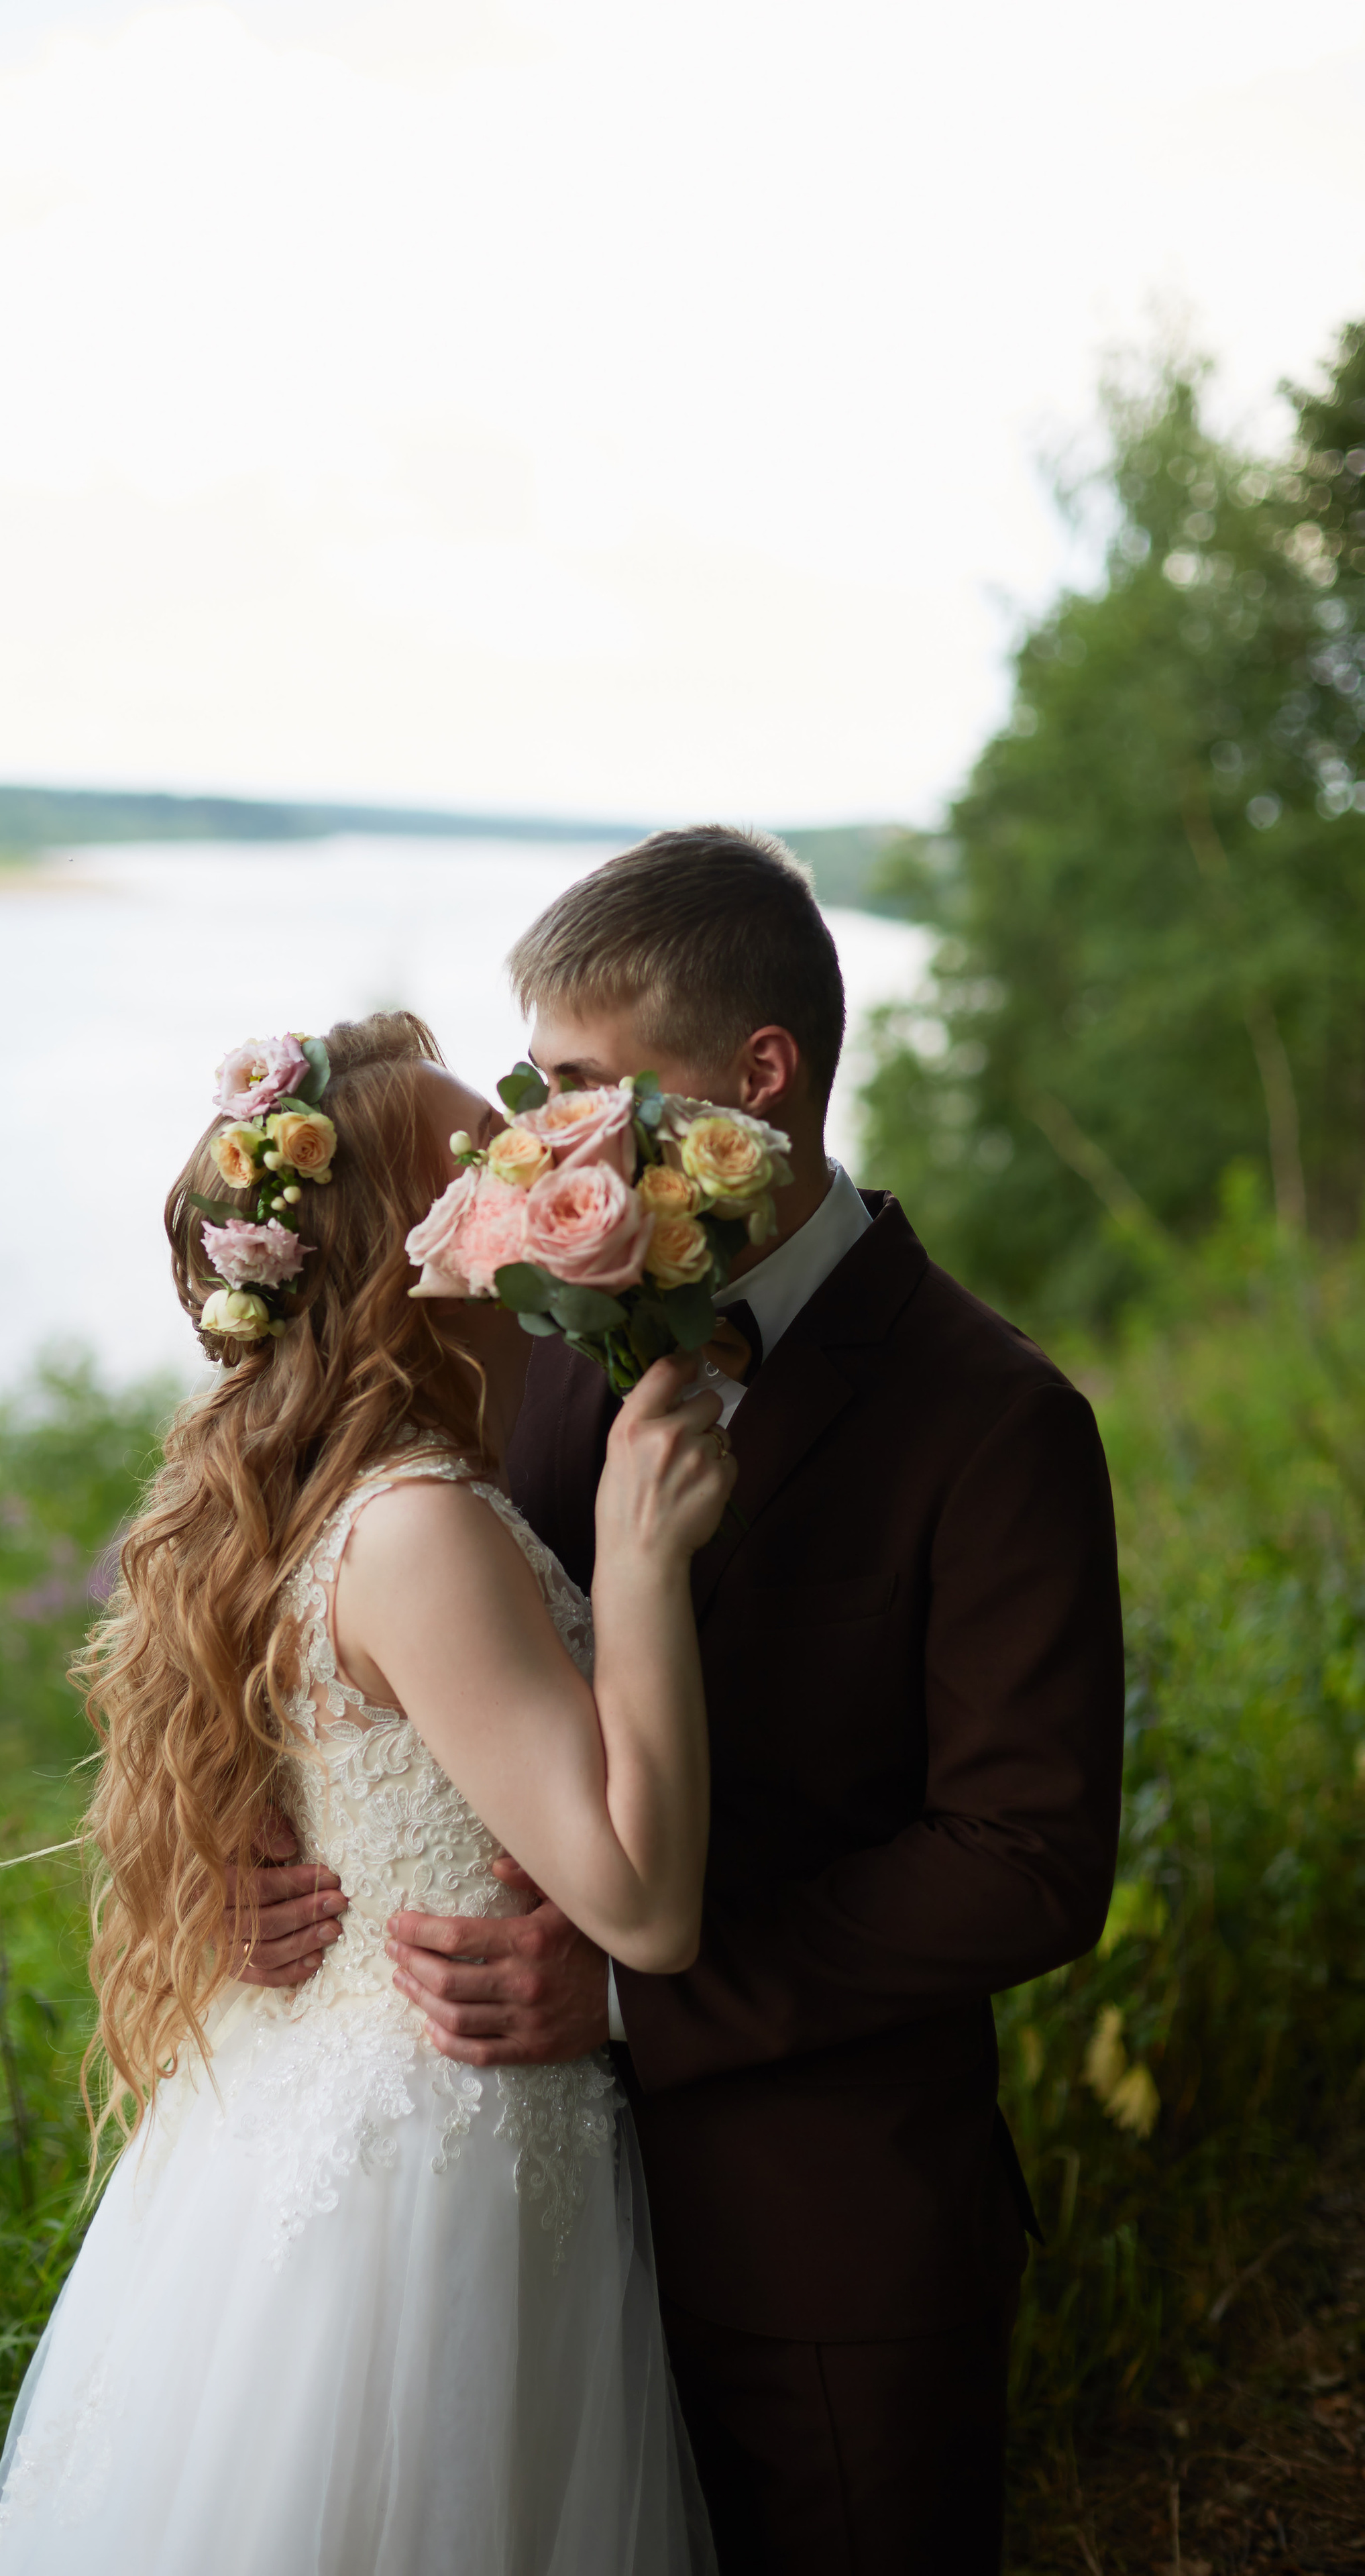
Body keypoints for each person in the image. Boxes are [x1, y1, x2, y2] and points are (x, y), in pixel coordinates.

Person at [361, 829, 1127, 2571]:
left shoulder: (995, 1423)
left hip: (822, 2253)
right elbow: (416, 1638)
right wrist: (281, 1849)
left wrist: (637, 2004)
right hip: (514, 2238)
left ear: (757, 1079)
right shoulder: (540, 1342)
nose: (539, 1136)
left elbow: (1025, 1862)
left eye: (578, 1084)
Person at [0, 1009, 728, 2576]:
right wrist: (642, 1560)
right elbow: (647, 1911)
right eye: (483, 1163)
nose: (528, 1175)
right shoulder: (417, 1525)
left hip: (322, 2128)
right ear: (407, 1254)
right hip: (428, 2174)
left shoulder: (317, 1496)